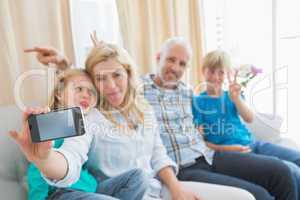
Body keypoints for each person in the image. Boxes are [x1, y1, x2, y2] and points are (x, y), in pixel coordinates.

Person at [23, 42, 257, 200]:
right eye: (101, 79)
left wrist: (176, 190)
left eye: (117, 75)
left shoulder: (143, 107)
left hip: (160, 189)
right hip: (122, 195)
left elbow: (158, 153)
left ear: (128, 73)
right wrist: (46, 158)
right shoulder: (87, 116)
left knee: (244, 197)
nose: (112, 87)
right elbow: (71, 155)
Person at [140, 37, 298, 200]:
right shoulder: (139, 91)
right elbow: (153, 149)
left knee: (281, 172)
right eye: (171, 59)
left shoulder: (186, 92)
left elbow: (201, 134)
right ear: (158, 57)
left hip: (210, 156)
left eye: (182, 64)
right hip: (183, 167)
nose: (175, 67)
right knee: (259, 195)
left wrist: (235, 97)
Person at [10, 68, 149, 200]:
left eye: (92, 92)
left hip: (90, 189)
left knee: (139, 177)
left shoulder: (90, 120)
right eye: (79, 89)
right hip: (57, 193)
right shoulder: (59, 119)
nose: (86, 94)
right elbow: (37, 148)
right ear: (59, 93)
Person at [192, 49, 300, 199]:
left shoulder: (231, 94)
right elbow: (200, 142)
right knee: (291, 170)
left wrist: (236, 99)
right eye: (211, 71)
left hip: (253, 144)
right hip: (232, 154)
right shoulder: (197, 102)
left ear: (226, 74)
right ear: (203, 71)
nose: (216, 77)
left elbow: (249, 118)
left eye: (221, 72)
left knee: (298, 159)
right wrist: (226, 148)